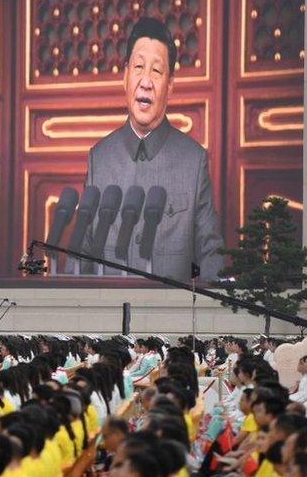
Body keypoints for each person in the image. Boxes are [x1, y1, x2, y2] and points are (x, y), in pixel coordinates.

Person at [81, 16, 224, 282]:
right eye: (138, 67)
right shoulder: (99, 159)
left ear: (170, 86)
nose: (146, 81)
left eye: (156, 71)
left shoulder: (194, 162)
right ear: (125, 77)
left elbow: (211, 256)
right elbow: (82, 256)